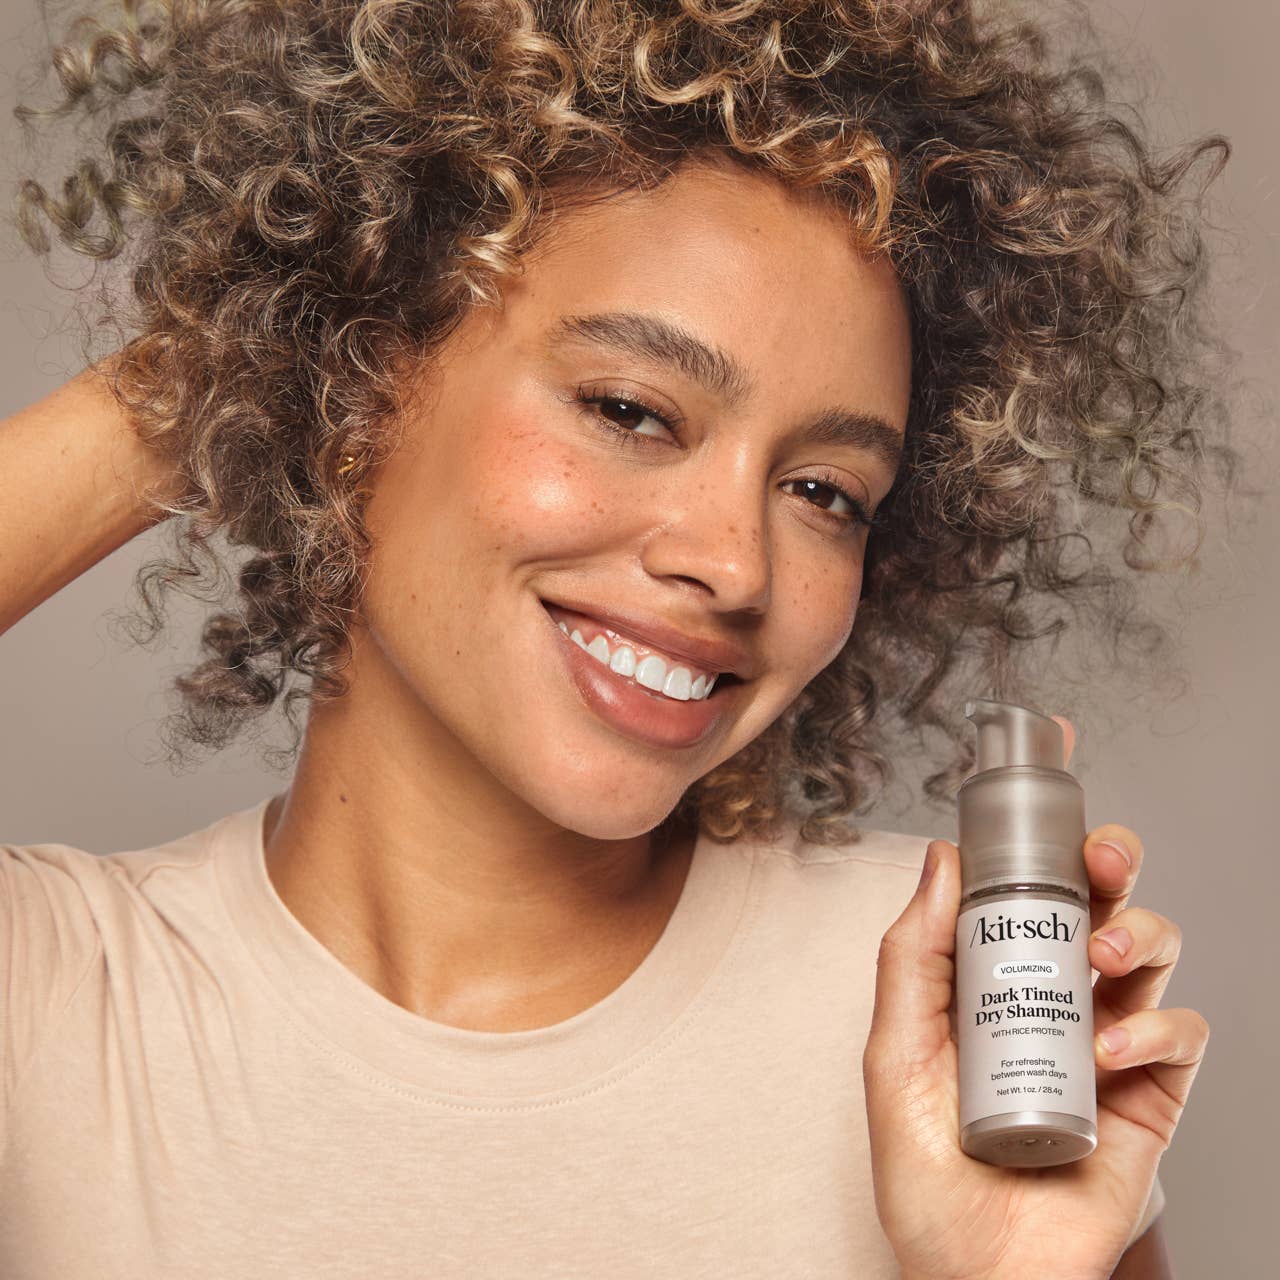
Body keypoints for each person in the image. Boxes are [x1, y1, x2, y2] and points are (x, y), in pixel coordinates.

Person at [0, 1, 1236, 1275]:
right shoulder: (55, 999)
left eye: (823, 493)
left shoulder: (956, 1006)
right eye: (632, 409)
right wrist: (249, 345)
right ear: (359, 382)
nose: (737, 562)